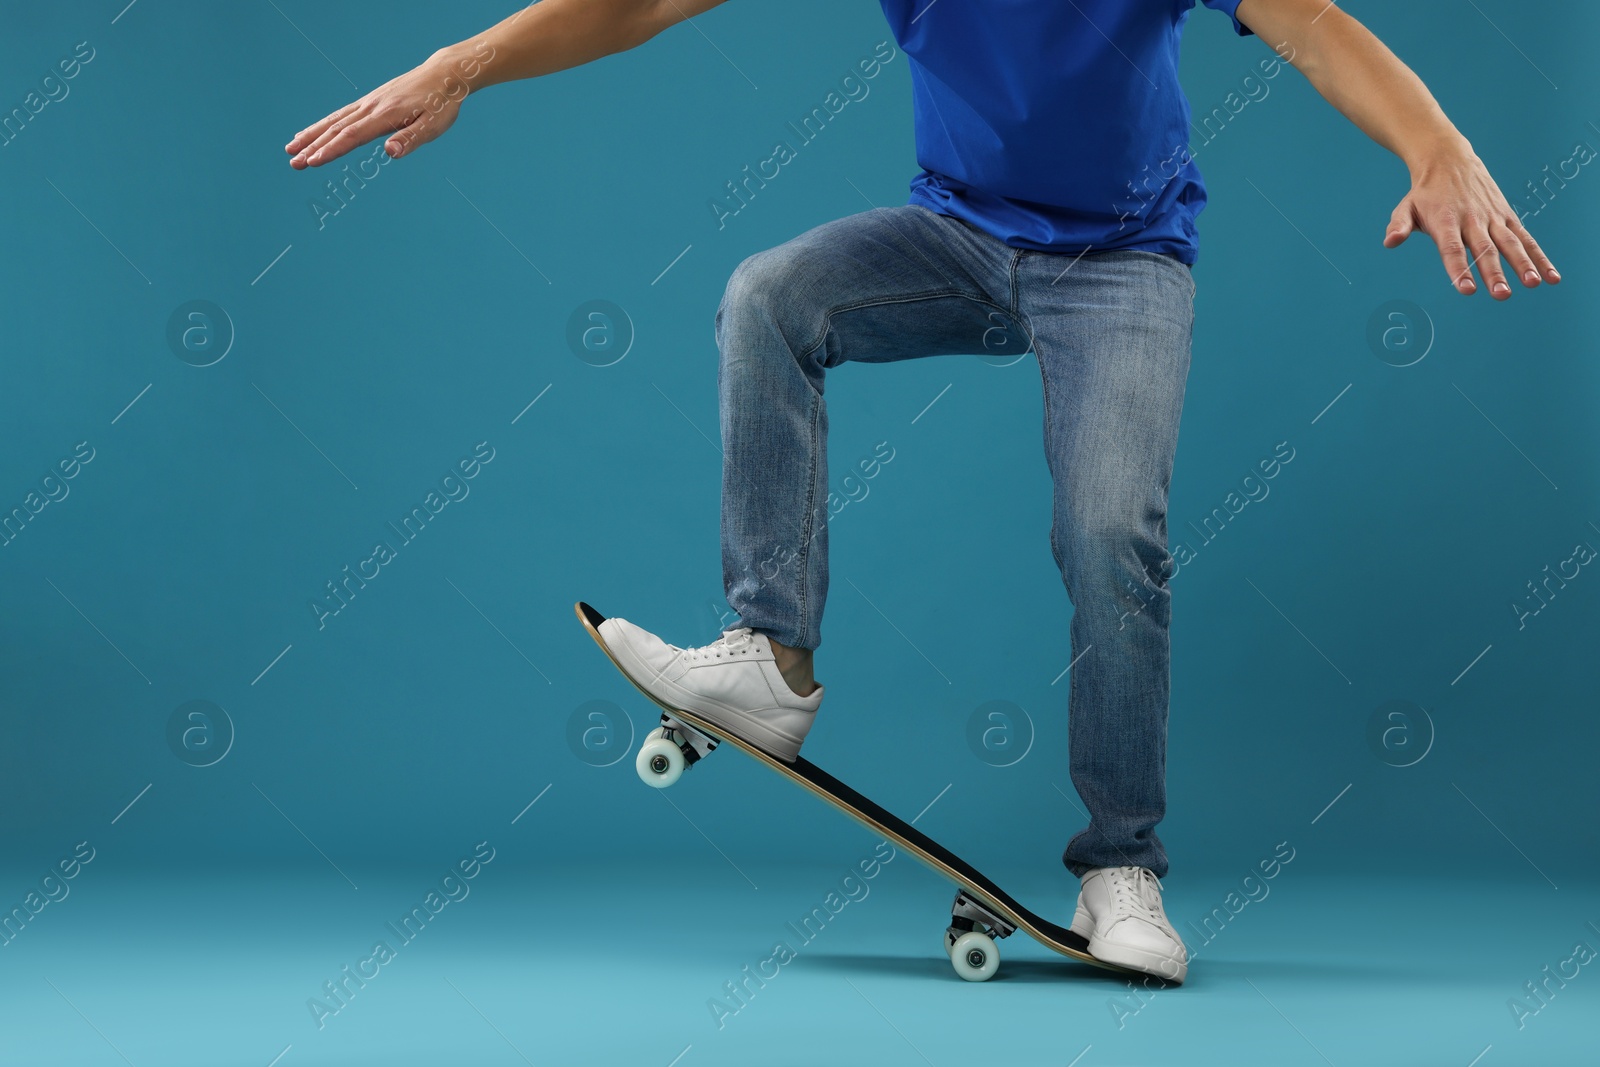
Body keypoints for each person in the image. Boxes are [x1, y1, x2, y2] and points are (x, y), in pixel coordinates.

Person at [288, 0, 1559, 983]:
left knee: (1110, 526)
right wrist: (466, 61)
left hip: (1123, 262)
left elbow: (1312, 22)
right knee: (768, 296)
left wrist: (1434, 142)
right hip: (955, 237)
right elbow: (650, 2)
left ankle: (1121, 867)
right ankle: (768, 662)